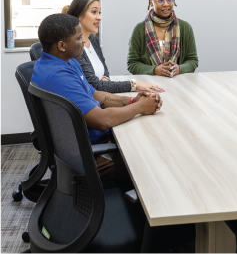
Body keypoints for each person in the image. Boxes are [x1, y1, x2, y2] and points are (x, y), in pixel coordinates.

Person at [32, 14, 163, 180]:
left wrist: (132, 101)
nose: (84, 42)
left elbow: (95, 94)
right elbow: (102, 121)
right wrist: (140, 107)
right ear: (62, 45)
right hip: (88, 155)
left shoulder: (67, 61)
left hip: (90, 142)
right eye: (79, 38)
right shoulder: (58, 76)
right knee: (153, 155)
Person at [64, 0, 164, 94]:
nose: (99, 18)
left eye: (100, 12)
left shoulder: (93, 39)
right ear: (78, 15)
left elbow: (105, 71)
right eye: (94, 12)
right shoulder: (74, 46)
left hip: (104, 96)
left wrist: (105, 80)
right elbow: (94, 85)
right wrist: (135, 84)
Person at [127, 0, 198, 77]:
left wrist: (179, 69)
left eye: (169, 0)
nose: (166, 4)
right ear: (151, 2)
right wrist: (154, 70)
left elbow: (193, 61)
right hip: (149, 86)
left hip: (180, 85)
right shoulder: (139, 29)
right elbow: (132, 64)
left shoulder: (185, 28)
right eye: (160, 0)